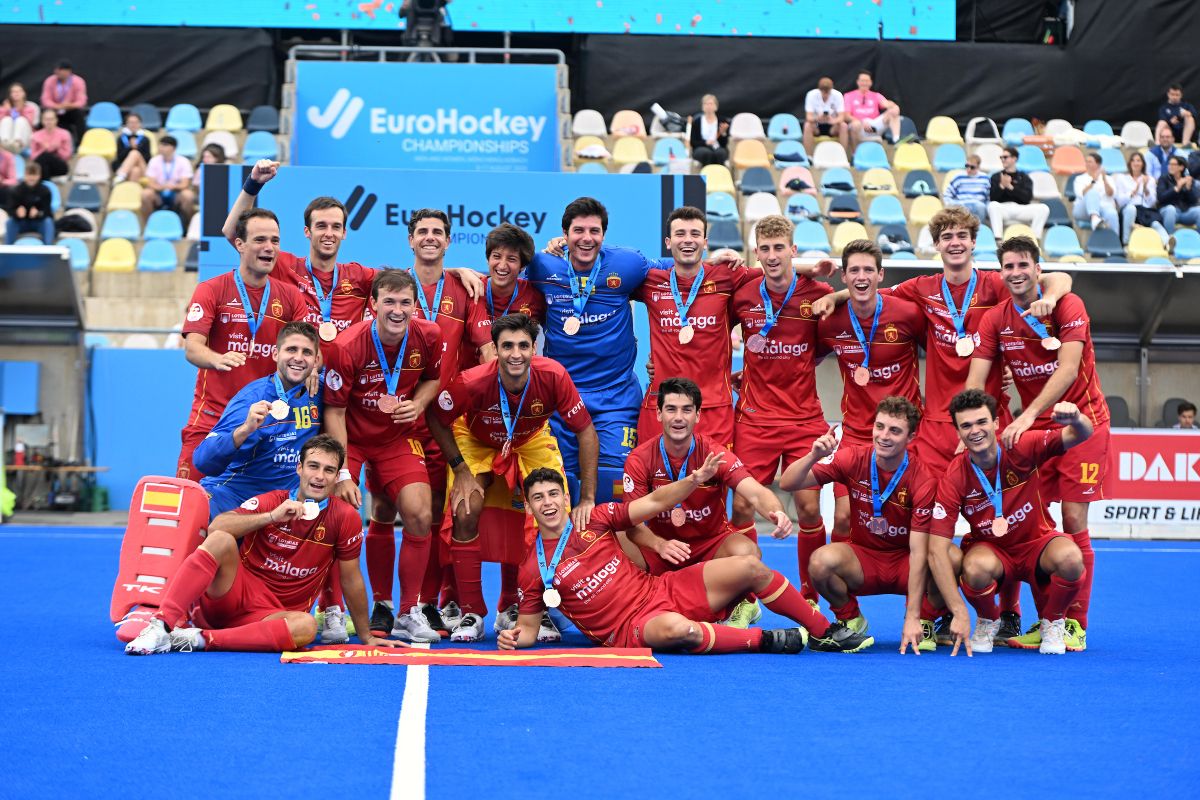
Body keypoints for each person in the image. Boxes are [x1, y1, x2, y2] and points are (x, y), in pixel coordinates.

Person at [500, 465, 872, 653]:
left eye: (553, 494)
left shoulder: (594, 518)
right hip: (629, 629)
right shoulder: (532, 568)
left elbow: (655, 502)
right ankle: (767, 640)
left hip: (661, 588)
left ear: (566, 499)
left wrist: (693, 480)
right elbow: (530, 629)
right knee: (682, 630)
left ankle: (826, 633)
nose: (548, 503)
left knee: (752, 567)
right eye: (539, 498)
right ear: (529, 506)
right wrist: (515, 639)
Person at [125, 435, 398, 655]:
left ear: (337, 476)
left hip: (273, 616)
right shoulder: (272, 501)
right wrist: (271, 517)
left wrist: (366, 636)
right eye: (313, 466)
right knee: (221, 540)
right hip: (232, 597)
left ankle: (197, 639)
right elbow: (217, 527)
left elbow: (351, 579)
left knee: (305, 628)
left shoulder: (344, 517)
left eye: (329, 470)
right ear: (299, 468)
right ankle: (161, 625)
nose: (320, 476)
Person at [967, 235, 1108, 649]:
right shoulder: (995, 318)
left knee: (1073, 521)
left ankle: (1074, 626)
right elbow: (977, 379)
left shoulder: (1067, 305)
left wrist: (1028, 415)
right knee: (1031, 525)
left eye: (1022, 265)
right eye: (1008, 267)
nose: (1015, 273)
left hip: (1082, 423)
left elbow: (1067, 369)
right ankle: (1044, 619)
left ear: (1037, 268)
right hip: (1032, 432)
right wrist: (972, 423)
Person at [427, 313, 598, 642]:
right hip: (475, 440)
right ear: (495, 349)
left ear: (535, 349)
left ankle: (530, 608)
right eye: (507, 346)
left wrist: (588, 498)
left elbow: (586, 432)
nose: (515, 354)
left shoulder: (554, 376)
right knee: (464, 509)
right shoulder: (473, 381)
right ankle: (472, 611)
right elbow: (437, 416)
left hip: (530, 439)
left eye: (523, 345)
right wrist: (460, 469)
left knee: (549, 513)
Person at [323, 269, 444, 643]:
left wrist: (419, 403)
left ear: (415, 305)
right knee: (336, 516)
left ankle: (410, 610)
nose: (397, 310)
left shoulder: (430, 335)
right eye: (388, 302)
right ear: (372, 304)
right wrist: (342, 471)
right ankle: (332, 609)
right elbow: (335, 413)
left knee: (420, 513)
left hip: (396, 437)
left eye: (405, 302)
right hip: (353, 439)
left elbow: (432, 379)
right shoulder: (348, 345)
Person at [623, 377, 796, 627]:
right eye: (671, 409)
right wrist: (658, 544)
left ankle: (741, 604)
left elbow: (756, 492)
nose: (679, 417)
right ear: (659, 414)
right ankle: (631, 602)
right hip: (664, 547)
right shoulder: (640, 459)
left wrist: (777, 512)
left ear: (698, 415)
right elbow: (632, 523)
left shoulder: (715, 455)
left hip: (710, 546)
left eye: (686, 410)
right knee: (614, 536)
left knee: (747, 552)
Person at [780, 397, 946, 653]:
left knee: (951, 558)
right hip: (864, 560)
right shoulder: (853, 458)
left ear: (911, 436)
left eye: (895, 430)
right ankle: (850, 617)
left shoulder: (923, 479)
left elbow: (919, 550)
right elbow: (788, 483)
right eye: (879, 427)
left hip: (905, 561)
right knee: (820, 561)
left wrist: (912, 614)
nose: (884, 436)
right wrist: (814, 455)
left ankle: (924, 619)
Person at [934, 390, 1092, 655]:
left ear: (996, 423)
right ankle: (988, 619)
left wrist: (1076, 418)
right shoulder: (954, 476)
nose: (975, 431)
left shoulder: (1020, 445)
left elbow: (1083, 434)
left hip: (1037, 545)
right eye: (966, 425)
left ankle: (1052, 622)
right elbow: (937, 548)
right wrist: (959, 610)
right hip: (993, 551)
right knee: (973, 568)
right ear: (958, 431)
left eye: (982, 422)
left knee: (1071, 558)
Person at [730, 215, 833, 607]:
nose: (773, 256)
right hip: (754, 418)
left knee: (808, 507)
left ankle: (809, 596)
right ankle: (747, 595)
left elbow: (825, 345)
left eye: (780, 248)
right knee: (742, 504)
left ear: (793, 251)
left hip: (805, 419)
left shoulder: (818, 291)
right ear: (756, 253)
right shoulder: (742, 292)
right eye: (765, 249)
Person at [177, 208, 308, 480]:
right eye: (260, 240)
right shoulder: (211, 289)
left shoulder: (292, 297)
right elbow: (192, 348)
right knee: (190, 504)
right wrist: (217, 359)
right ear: (239, 244)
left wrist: (314, 367)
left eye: (275, 240)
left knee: (252, 510)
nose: (269, 248)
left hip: (265, 421)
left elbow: (307, 348)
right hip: (213, 417)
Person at [815, 240, 924, 542]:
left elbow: (945, 351)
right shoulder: (829, 322)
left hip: (907, 433)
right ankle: (837, 586)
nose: (861, 277)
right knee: (843, 516)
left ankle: (917, 587)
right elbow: (801, 358)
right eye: (854, 271)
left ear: (881, 275)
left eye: (868, 270)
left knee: (914, 515)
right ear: (844, 277)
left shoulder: (908, 314)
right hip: (857, 433)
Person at [635, 206, 755, 452]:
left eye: (694, 234)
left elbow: (776, 275)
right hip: (661, 405)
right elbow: (607, 270)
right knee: (655, 484)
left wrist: (829, 285)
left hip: (712, 408)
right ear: (668, 242)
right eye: (680, 234)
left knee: (710, 486)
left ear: (705, 242)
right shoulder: (651, 281)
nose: (687, 240)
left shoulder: (727, 277)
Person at [223, 161, 380, 343]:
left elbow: (402, 285)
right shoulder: (283, 265)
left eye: (336, 227)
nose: (329, 234)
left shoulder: (359, 276)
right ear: (307, 231)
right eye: (321, 226)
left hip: (343, 370)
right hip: (296, 368)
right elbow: (233, 232)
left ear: (344, 233)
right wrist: (253, 183)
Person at [193, 322, 323, 518]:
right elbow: (203, 461)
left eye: (306, 352)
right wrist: (244, 429)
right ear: (275, 354)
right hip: (236, 496)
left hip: (286, 503)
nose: (298, 357)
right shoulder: (252, 398)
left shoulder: (321, 395)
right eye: (291, 350)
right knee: (201, 512)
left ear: (316, 361)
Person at [987, 146, 1049, 238]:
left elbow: (1027, 198)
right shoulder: (996, 176)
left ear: (1014, 158)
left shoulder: (1024, 177)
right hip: (1003, 208)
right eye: (1001, 157)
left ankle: (1035, 239)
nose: (1002, 160)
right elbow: (993, 198)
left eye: (1005, 157)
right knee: (992, 206)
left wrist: (1010, 187)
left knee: (1043, 208)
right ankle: (998, 238)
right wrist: (1001, 186)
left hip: (1021, 209)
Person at [1116, 151, 1169, 246]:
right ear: (1130, 164)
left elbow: (1152, 203)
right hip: (1128, 209)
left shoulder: (1150, 179)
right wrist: (1133, 192)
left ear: (1143, 164)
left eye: (1138, 161)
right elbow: (1120, 202)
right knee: (1131, 209)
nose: (1135, 163)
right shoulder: (1122, 178)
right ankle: (1126, 243)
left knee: (1155, 223)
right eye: (1133, 161)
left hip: (1144, 210)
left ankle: (1167, 242)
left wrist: (1146, 189)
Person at [141, 135, 195, 222]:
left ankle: (186, 225)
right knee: (146, 194)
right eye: (160, 145)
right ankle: (148, 224)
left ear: (173, 148)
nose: (161, 148)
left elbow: (185, 184)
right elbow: (150, 182)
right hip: (158, 192)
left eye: (165, 145)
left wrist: (173, 187)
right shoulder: (154, 161)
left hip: (176, 192)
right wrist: (161, 187)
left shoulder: (184, 161)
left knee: (188, 196)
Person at [844, 70, 901, 146]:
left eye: (867, 81)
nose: (864, 83)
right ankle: (856, 154)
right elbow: (846, 116)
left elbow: (886, 104)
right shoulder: (849, 96)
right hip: (859, 126)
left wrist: (893, 106)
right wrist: (861, 122)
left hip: (874, 125)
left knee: (894, 110)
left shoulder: (876, 95)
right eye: (862, 81)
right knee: (855, 124)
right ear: (857, 82)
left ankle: (896, 140)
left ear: (870, 82)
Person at [4, 161, 55, 245]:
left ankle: (48, 249)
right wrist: (17, 213)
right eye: (29, 175)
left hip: (38, 222)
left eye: (34, 175)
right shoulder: (15, 190)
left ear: (39, 176)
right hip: (21, 222)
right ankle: (8, 249)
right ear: (24, 175)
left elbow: (48, 211)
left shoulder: (45, 191)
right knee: (10, 222)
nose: (31, 178)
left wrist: (39, 213)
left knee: (48, 222)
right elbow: (10, 209)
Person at [39, 60, 87, 143]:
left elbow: (82, 101)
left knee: (79, 114)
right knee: (46, 115)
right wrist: (57, 106)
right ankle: (45, 141)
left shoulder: (78, 81)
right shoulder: (49, 81)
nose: (57, 72)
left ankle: (81, 143)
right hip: (55, 110)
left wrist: (70, 105)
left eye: (60, 70)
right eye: (56, 70)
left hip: (71, 110)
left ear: (68, 71)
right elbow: (45, 100)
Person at [1072, 151, 1119, 232]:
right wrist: (1093, 181)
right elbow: (1082, 194)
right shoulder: (1079, 178)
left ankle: (1114, 241)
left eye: (1090, 162)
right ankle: (1095, 218)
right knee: (1092, 192)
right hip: (1083, 209)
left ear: (1098, 165)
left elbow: (1111, 194)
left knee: (1112, 214)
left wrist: (1104, 179)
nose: (1087, 164)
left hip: (1104, 207)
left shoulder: (1108, 178)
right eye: (1086, 161)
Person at [803, 76, 848, 152]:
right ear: (819, 90)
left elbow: (841, 117)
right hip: (817, 125)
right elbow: (808, 117)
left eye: (828, 92)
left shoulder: (838, 95)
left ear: (831, 89)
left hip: (832, 127)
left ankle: (843, 155)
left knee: (844, 126)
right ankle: (808, 157)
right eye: (824, 92)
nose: (826, 94)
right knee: (807, 125)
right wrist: (817, 118)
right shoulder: (811, 95)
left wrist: (833, 121)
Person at [1158, 155, 1200, 234]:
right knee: (1171, 209)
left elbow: (1194, 200)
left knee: (1199, 211)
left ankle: (1197, 240)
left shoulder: (1188, 179)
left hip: (1185, 211)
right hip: (1168, 210)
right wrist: (1176, 188)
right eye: (1169, 164)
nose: (1170, 166)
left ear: (1181, 167)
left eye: (1173, 164)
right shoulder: (1163, 179)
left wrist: (1188, 188)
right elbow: (1161, 198)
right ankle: (1169, 239)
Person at [943, 154, 990, 222]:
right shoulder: (959, 177)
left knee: (981, 207)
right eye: (967, 166)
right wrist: (950, 204)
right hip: (961, 204)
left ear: (978, 167)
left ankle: (979, 228)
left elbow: (988, 197)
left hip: (978, 204)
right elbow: (947, 194)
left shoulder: (985, 178)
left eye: (972, 167)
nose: (968, 169)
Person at [29, 107, 72, 180]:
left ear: (56, 120)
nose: (49, 122)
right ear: (42, 121)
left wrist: (57, 148)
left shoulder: (65, 134)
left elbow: (67, 156)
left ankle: (44, 184)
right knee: (45, 158)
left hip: (59, 165)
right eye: (46, 119)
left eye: (51, 119)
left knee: (46, 156)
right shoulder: (36, 135)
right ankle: (47, 183)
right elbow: (33, 157)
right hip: (41, 166)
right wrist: (43, 149)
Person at [688, 94, 729, 168]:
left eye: (711, 104)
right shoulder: (697, 122)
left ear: (716, 106)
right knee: (707, 153)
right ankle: (707, 176)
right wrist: (705, 142)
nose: (708, 106)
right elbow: (693, 142)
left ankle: (721, 176)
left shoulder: (722, 121)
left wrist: (723, 133)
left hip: (717, 147)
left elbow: (724, 144)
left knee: (720, 153)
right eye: (706, 104)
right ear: (702, 107)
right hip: (701, 148)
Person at [113, 112, 152, 184]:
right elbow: (120, 157)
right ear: (126, 124)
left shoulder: (145, 139)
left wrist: (137, 148)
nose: (133, 125)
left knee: (135, 153)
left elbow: (147, 158)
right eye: (131, 122)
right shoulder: (121, 138)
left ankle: (121, 175)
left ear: (140, 124)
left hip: (143, 167)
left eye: (136, 122)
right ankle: (132, 192)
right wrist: (129, 147)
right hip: (128, 167)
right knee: (135, 171)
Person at [0, 82, 37, 153]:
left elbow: (29, 123)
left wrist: (15, 110)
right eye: (13, 91)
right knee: (6, 119)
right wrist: (6, 110)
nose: (16, 93)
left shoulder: (30, 108)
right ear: (10, 94)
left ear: (24, 93)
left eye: (19, 91)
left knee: (20, 120)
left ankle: (17, 144)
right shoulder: (4, 108)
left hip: (24, 138)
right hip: (7, 139)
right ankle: (5, 143)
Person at [0, 148, 19, 216]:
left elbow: (13, 180)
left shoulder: (8, 157)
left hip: (4, 188)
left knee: (10, 190)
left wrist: (2, 181)